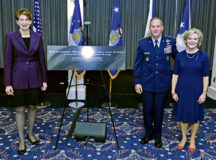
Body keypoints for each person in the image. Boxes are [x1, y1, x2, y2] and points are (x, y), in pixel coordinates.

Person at [4, 8, 47, 155]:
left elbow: (42, 59)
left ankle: (30, 133)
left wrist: (44, 80)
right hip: (17, 79)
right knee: (20, 109)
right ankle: (22, 139)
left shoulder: (37, 36)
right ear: (17, 21)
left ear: (30, 21)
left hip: (35, 78)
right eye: (21, 20)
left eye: (26, 20)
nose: (24, 22)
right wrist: (8, 83)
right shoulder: (10, 37)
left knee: (33, 106)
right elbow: (8, 61)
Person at [134, 17, 178, 148]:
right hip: (146, 83)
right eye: (153, 26)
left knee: (158, 110)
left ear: (162, 28)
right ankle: (148, 134)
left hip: (163, 84)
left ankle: (158, 136)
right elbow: (138, 64)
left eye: (158, 26)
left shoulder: (170, 42)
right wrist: (137, 81)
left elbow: (178, 59)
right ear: (150, 28)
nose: (155, 28)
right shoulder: (142, 43)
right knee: (147, 110)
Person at [171, 28, 209, 152]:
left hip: (197, 90)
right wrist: (173, 91)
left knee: (195, 116)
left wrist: (204, 93)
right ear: (186, 40)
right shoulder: (179, 56)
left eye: (195, 39)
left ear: (198, 41)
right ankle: (184, 138)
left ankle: (192, 138)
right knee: (183, 116)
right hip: (182, 89)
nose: (192, 41)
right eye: (190, 38)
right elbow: (175, 74)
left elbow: (205, 76)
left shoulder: (203, 56)